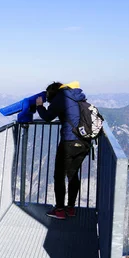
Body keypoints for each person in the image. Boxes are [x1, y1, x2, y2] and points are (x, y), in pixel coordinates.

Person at [35, 81, 90, 219]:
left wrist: (40, 106)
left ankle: (59, 210)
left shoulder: (62, 97)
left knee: (59, 175)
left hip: (69, 142)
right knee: (73, 174)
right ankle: (70, 208)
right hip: (84, 142)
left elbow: (48, 117)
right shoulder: (77, 97)